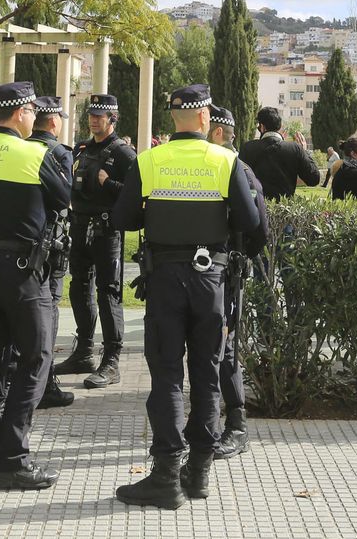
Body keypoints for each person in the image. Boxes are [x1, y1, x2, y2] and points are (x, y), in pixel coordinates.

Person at [112, 84, 265, 509]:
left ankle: (165, 475)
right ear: (204, 119)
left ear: (173, 119)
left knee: (165, 376)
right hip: (210, 279)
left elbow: (122, 218)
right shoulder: (226, 160)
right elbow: (251, 221)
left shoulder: (150, 159)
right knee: (207, 372)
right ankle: (198, 474)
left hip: (164, 276)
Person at [0, 81, 71, 491]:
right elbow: (63, 198)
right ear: (21, 113)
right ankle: (13, 457)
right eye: (31, 112)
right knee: (36, 356)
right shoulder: (34, 154)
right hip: (20, 270)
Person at [57, 93, 138, 390]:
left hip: (107, 233)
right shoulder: (81, 149)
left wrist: (109, 183)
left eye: (99, 116)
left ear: (112, 119)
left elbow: (135, 196)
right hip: (80, 228)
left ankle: (112, 359)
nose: (93, 120)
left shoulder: (124, 154)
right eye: (91, 115)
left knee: (108, 294)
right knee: (79, 289)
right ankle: (83, 353)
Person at [205, 104, 266, 460]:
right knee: (208, 347)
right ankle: (209, 420)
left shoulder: (238, 169)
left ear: (216, 133)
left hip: (225, 273)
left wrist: (235, 259)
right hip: (206, 274)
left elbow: (258, 228)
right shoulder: (208, 167)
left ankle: (236, 424)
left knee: (225, 348)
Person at [28, 94, 76, 410]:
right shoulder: (59, 153)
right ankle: (45, 384)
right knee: (50, 309)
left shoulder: (22, 148)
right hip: (51, 245)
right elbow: (65, 198)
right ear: (55, 121)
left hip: (22, 244)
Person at [238, 106, 321, 201]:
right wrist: (305, 152)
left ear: (262, 127)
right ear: (280, 126)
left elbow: (240, 180)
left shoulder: (248, 148)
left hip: (257, 207)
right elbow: (314, 179)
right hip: (284, 210)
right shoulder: (294, 149)